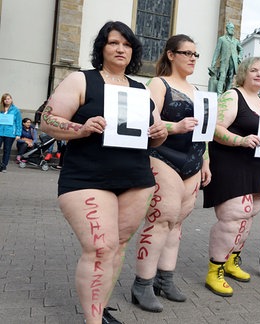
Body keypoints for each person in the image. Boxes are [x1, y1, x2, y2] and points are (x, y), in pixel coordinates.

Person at [40, 21, 167, 324]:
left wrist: (160, 131)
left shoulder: (140, 89)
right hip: (87, 177)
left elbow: (155, 136)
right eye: (113, 43)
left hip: (136, 179)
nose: (120, 49)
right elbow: (47, 120)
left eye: (126, 44)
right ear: (102, 48)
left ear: (133, 51)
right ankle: (93, 320)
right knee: (100, 247)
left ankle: (100, 306)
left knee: (117, 247)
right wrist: (80, 128)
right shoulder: (82, 80)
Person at [131, 34, 211, 312]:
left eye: (195, 54)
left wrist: (206, 162)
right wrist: (174, 127)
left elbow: (204, 132)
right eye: (186, 53)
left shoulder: (198, 90)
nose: (192, 58)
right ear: (170, 55)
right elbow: (143, 120)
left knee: (177, 223)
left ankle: (164, 280)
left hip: (192, 160)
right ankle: (142, 283)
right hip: (162, 155)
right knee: (161, 218)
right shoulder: (158, 84)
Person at [202, 57, 260, 297]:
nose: (259, 74)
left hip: (258, 167)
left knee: (250, 214)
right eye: (253, 70)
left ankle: (232, 261)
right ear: (243, 73)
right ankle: (215, 270)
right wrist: (240, 141)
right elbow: (215, 128)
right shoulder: (233, 96)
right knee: (233, 216)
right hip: (233, 164)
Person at [209, 22, 243, 95]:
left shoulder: (236, 41)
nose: (232, 30)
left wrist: (239, 57)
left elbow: (241, 49)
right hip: (224, 62)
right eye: (231, 28)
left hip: (233, 62)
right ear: (227, 29)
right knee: (222, 76)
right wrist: (213, 63)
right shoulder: (222, 39)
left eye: (233, 28)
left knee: (231, 78)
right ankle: (219, 94)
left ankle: (227, 94)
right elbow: (217, 52)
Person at [0, 93, 22, 172]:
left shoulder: (16, 110)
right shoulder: (0, 108)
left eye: (9, 98)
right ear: (3, 100)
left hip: (10, 133)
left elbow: (18, 122)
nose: (7, 100)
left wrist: (18, 134)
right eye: (5, 99)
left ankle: (4, 166)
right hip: (0, 132)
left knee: (7, 149)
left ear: (11, 100)